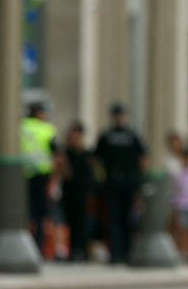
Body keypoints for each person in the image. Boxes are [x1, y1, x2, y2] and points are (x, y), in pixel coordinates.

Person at [94, 103, 145, 264]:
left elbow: (96, 159)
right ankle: (120, 252)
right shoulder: (130, 136)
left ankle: (121, 252)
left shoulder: (108, 135)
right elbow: (143, 159)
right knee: (118, 219)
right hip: (120, 182)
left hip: (118, 182)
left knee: (121, 219)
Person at [20, 101, 59, 257]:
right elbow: (57, 156)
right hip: (42, 177)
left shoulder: (21, 127)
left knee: (27, 214)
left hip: (23, 175)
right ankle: (38, 246)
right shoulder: (47, 129)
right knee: (41, 215)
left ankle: (26, 243)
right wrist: (54, 180)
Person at [59, 121, 96, 262]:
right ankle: (72, 251)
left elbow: (92, 176)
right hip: (69, 193)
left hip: (83, 194)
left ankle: (83, 251)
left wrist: (91, 192)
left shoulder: (87, 155)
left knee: (83, 224)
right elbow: (65, 174)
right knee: (70, 223)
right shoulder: (66, 154)